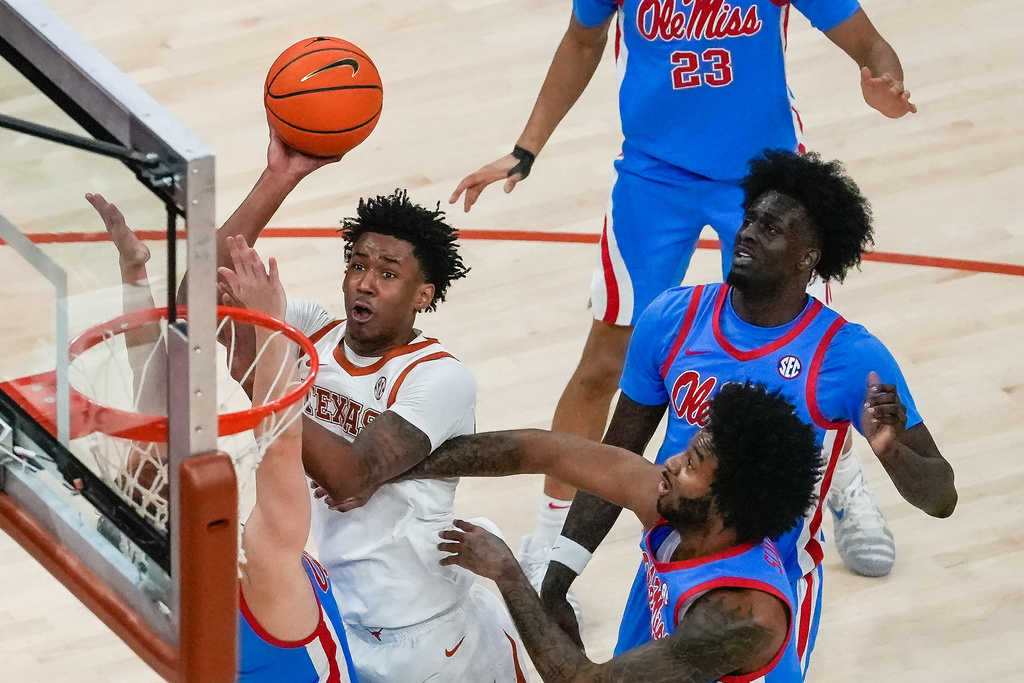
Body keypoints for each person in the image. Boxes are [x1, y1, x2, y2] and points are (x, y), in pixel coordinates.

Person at [450, 0, 918, 581]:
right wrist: (526, 149)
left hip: (764, 179)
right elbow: (580, 41)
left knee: (798, 355)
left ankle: (841, 485)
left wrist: (884, 80)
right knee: (604, 359)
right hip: (654, 177)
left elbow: (870, 43)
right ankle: (551, 529)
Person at [537, 150, 957, 673]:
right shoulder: (672, 316)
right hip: (667, 573)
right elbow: (615, 457)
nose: (748, 233)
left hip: (765, 597)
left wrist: (891, 452)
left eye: (772, 228)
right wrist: (559, 577)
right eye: (751, 218)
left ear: (808, 257)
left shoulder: (849, 357)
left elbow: (942, 499)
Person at [214, 137, 531, 683]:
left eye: (388, 273)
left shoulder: (440, 377)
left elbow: (350, 478)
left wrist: (267, 368)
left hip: (431, 637)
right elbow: (198, 300)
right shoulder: (314, 329)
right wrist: (278, 179)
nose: (365, 281)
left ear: (423, 295)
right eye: (357, 265)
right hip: (343, 615)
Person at [86, 193, 360, 682]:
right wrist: (271, 323)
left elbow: (150, 395)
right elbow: (280, 445)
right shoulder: (263, 572)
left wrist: (134, 275)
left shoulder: (168, 589)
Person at [393, 381, 823, 682]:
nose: (671, 462)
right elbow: (547, 451)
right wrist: (393, 467)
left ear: (728, 505)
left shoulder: (744, 618)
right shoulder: (678, 511)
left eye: (691, 465)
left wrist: (508, 573)